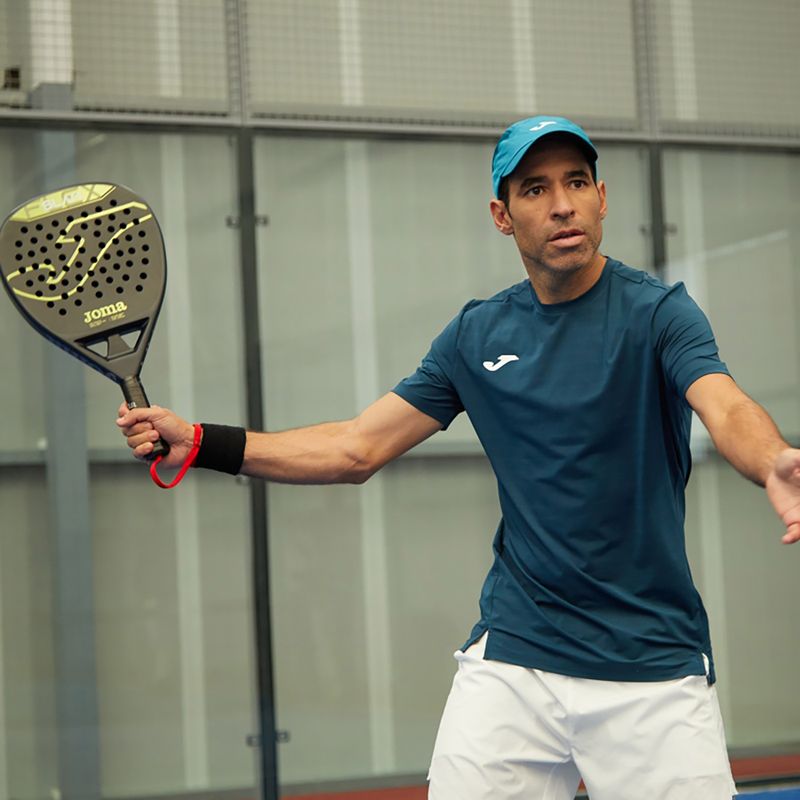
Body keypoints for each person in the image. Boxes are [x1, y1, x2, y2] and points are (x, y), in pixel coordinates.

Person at [117, 116, 800, 800]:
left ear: (602, 197)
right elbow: (357, 447)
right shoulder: (476, 335)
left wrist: (771, 460)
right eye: (535, 189)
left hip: (649, 665)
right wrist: (204, 441)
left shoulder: (660, 315)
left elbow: (724, 403)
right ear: (502, 216)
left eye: (577, 182)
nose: (562, 204)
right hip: (516, 658)